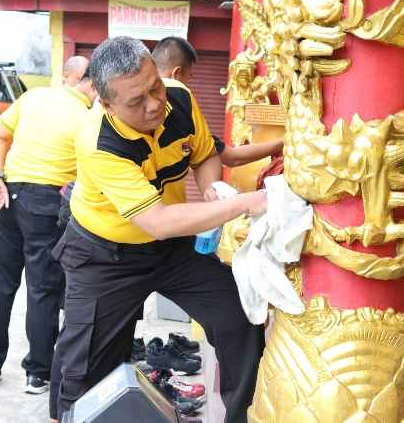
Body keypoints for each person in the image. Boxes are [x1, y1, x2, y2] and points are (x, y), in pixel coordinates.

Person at [52, 37, 267, 423]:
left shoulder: (179, 98)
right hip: (105, 256)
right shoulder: (98, 142)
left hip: (170, 252)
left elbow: (204, 155)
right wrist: (244, 203)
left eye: (155, 86)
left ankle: (241, 417)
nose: (154, 104)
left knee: (239, 317)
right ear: (106, 103)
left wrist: (210, 188)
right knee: (84, 365)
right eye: (136, 101)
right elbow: (158, 222)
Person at [0, 58, 97, 394]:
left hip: (7, 195)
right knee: (43, 288)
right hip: (46, 205)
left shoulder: (32, 99)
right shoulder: (88, 117)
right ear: (89, 83)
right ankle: (38, 372)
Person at [151, 36, 283, 172]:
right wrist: (282, 143)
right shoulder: (183, 112)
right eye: (188, 78)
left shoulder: (133, 104)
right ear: (176, 74)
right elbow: (232, 157)